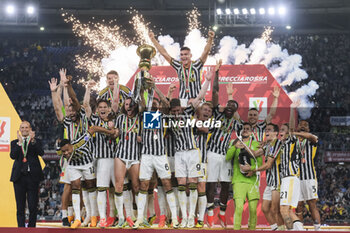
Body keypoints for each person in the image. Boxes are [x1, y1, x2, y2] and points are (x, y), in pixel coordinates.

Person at [167, 68, 212, 228]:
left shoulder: (187, 113)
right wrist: (169, 92)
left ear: (181, 107)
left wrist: (207, 80)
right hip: (178, 154)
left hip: (193, 152)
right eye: (174, 111)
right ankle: (184, 217)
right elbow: (164, 103)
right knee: (181, 183)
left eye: (178, 110)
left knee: (193, 183)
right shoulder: (169, 119)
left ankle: (192, 217)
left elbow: (200, 97)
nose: (177, 112)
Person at [132, 77, 179, 229]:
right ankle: (140, 218)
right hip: (146, 155)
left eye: (155, 103)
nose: (153, 105)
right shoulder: (143, 114)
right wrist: (142, 86)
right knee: (144, 185)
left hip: (160, 155)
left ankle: (175, 218)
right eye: (151, 103)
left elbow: (166, 103)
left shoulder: (162, 116)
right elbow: (140, 101)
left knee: (166, 183)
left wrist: (156, 87)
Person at [206, 61, 242, 228]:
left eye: (233, 108)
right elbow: (214, 92)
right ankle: (210, 214)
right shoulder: (217, 115)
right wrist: (217, 74)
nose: (229, 108)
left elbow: (244, 126)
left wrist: (236, 112)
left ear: (235, 112)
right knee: (211, 183)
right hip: (212, 153)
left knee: (226, 184)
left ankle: (222, 213)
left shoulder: (235, 124)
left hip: (226, 155)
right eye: (228, 105)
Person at [59, 125, 116, 229]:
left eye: (67, 150)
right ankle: (77, 218)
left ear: (71, 145)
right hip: (73, 166)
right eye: (64, 151)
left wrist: (109, 132)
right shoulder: (60, 150)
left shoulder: (81, 141)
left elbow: (93, 128)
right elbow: (61, 152)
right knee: (75, 187)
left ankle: (94, 216)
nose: (66, 153)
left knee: (91, 187)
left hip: (87, 164)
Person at [149, 30, 215, 106]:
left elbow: (206, 52)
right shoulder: (178, 66)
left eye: (186, 54)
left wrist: (210, 38)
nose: (183, 57)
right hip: (183, 100)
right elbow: (164, 53)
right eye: (181, 55)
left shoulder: (197, 64)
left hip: (198, 99)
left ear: (190, 55)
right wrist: (153, 39)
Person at [240, 123, 284, 231]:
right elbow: (254, 154)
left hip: (277, 181)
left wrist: (253, 170)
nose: (266, 132)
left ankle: (282, 229)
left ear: (276, 133)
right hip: (270, 182)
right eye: (266, 130)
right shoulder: (267, 146)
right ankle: (275, 229)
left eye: (269, 130)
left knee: (275, 209)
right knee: (265, 208)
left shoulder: (277, 144)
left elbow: (269, 164)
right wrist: (243, 143)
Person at [226, 122, 262, 230]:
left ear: (251, 132)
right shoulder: (234, 142)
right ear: (240, 131)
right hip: (238, 180)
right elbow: (227, 157)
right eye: (243, 128)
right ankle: (236, 229)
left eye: (248, 128)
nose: (245, 130)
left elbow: (259, 163)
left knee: (252, 209)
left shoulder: (256, 144)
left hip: (252, 180)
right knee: (239, 208)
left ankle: (252, 229)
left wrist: (252, 170)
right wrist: (234, 146)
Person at [10, 121, 44, 227]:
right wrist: (20, 143)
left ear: (30, 129)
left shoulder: (36, 141)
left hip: (32, 177)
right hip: (19, 178)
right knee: (20, 206)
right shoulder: (14, 142)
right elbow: (13, 156)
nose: (24, 129)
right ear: (20, 129)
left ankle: (31, 228)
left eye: (26, 127)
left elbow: (41, 152)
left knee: (33, 205)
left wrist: (32, 141)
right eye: (22, 127)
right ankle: (20, 228)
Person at [293, 102, 321, 231]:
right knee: (298, 205)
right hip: (297, 178)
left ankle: (317, 228)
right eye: (301, 125)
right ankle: (300, 228)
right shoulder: (294, 141)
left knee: (312, 204)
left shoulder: (312, 139)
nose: (303, 126)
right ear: (298, 127)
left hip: (309, 178)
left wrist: (295, 132)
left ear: (309, 129)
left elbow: (310, 137)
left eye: (305, 125)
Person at [278, 101, 304, 230]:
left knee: (284, 209)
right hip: (288, 179)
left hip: (290, 178)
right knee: (288, 211)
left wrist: (292, 109)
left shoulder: (291, 139)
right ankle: (300, 230)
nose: (280, 132)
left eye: (283, 130)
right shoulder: (283, 145)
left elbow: (292, 127)